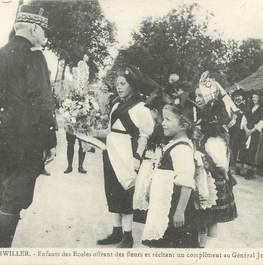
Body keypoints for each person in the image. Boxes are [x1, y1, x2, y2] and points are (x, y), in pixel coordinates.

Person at [0, 4, 57, 248]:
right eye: (44, 32)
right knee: (13, 201)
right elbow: (42, 103)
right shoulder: (35, 56)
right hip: (24, 143)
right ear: (34, 28)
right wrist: (50, 142)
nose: (45, 38)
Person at [91, 66, 154, 248]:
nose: (118, 87)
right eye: (117, 84)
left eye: (123, 83)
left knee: (126, 192)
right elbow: (111, 131)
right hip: (111, 151)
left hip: (127, 153)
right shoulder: (116, 104)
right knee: (111, 191)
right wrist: (92, 132)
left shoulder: (141, 107)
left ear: (132, 85)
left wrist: (137, 157)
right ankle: (116, 231)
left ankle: (128, 236)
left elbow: (144, 134)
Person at [141, 103, 199, 248]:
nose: (163, 123)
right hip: (164, 205)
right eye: (163, 119)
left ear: (183, 126)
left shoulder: (181, 148)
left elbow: (186, 182)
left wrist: (180, 211)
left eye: (168, 120)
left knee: (171, 244)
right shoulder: (174, 143)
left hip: (173, 207)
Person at [193, 82, 238, 248]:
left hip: (212, 178)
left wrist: (219, 170)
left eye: (200, 96)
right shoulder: (201, 121)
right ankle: (201, 246)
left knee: (211, 219)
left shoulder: (215, 131)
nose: (197, 99)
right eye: (196, 95)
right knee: (202, 217)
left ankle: (209, 251)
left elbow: (220, 161)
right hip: (202, 178)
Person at [237, 91, 263, 179]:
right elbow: (244, 118)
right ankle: (240, 170)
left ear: (259, 99)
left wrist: (252, 130)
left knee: (252, 150)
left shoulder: (262, 109)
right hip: (246, 131)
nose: (254, 99)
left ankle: (249, 172)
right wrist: (246, 129)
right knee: (243, 149)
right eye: (253, 97)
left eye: (256, 98)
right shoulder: (249, 107)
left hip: (255, 132)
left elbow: (262, 122)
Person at [227, 89, 247, 173]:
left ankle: (235, 166)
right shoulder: (232, 106)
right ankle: (230, 165)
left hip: (241, 131)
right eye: (236, 96)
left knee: (238, 148)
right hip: (232, 130)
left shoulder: (245, 107)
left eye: (239, 96)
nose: (237, 98)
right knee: (231, 147)